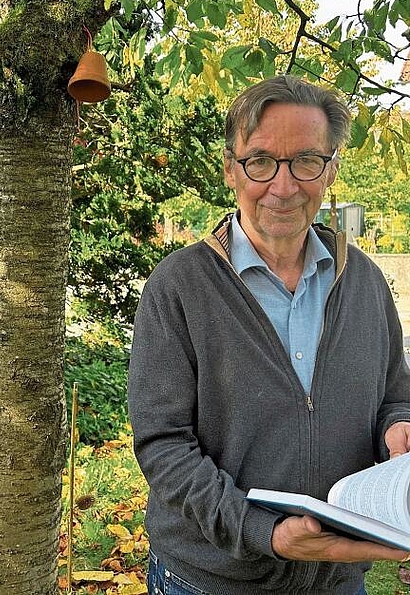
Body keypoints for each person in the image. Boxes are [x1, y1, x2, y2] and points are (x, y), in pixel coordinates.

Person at [128, 75, 410, 594]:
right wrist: (266, 533)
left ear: (331, 171)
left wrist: (398, 427)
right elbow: (164, 446)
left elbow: (396, 396)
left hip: (337, 580)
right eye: (260, 161)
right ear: (231, 170)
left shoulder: (364, 280)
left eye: (306, 160)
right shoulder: (179, 286)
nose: (283, 187)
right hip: (212, 580)